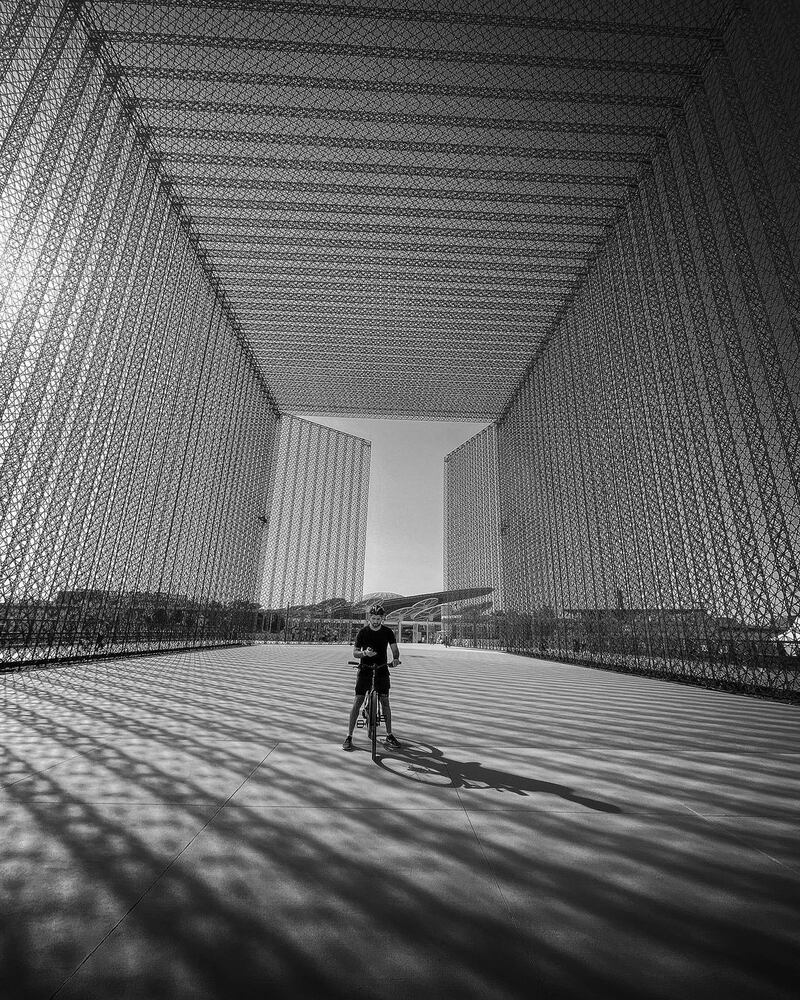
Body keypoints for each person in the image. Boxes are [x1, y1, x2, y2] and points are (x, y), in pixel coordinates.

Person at [343, 603, 401, 750]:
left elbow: (395, 649)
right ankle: (349, 736)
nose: (376, 621)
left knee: (385, 702)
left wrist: (395, 659)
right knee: (358, 701)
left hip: (381, 669)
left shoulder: (388, 632)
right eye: (373, 618)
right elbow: (355, 652)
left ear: (382, 618)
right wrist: (364, 654)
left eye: (378, 618)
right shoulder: (363, 632)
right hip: (365, 669)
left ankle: (389, 734)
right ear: (370, 617)